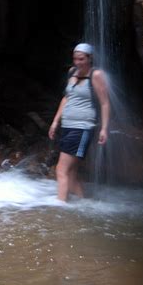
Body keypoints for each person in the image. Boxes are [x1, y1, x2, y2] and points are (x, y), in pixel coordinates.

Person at [48, 43, 110, 202]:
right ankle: (82, 206)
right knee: (71, 172)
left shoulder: (95, 75)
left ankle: (60, 207)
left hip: (82, 128)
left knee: (61, 169)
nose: (77, 62)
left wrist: (104, 129)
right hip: (67, 125)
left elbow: (105, 103)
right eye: (75, 59)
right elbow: (67, 97)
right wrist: (56, 121)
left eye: (81, 59)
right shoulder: (72, 72)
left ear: (89, 58)